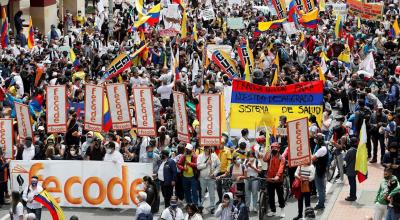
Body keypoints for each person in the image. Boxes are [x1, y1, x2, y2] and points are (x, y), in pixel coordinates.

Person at [263, 142, 286, 217]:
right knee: (271, 196)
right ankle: (273, 210)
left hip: (278, 180)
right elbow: (264, 159)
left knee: (280, 195)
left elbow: (281, 168)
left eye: (275, 149)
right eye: (273, 149)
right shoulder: (270, 156)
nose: (274, 150)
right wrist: (268, 150)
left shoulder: (282, 158)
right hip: (270, 179)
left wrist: (277, 176)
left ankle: (282, 210)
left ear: (279, 149)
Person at [197, 145, 220, 213]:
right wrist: (206, 164)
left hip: (211, 178)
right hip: (202, 178)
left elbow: (219, 165)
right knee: (202, 193)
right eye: (207, 150)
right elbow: (198, 167)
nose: (208, 151)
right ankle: (200, 206)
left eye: (209, 150)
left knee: (212, 193)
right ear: (204, 150)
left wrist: (214, 173)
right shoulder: (200, 156)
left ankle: (212, 207)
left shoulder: (214, 156)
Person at [312, 133, 329, 210]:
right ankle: (322, 201)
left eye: (316, 139)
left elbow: (313, 158)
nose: (315, 140)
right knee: (322, 187)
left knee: (320, 188)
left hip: (320, 170)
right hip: (322, 169)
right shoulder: (324, 146)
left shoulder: (321, 149)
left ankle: (321, 204)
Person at [345, 137, 358, 201]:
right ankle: (353, 195)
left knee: (352, 183)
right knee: (353, 183)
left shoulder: (350, 151)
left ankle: (352, 196)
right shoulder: (357, 150)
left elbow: (346, 159)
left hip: (350, 169)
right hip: (355, 169)